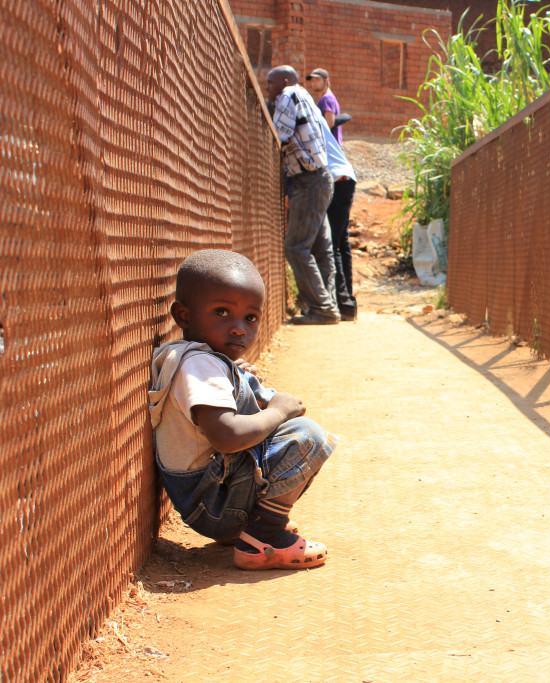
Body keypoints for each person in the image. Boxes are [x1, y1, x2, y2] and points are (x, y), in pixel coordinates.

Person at [149, 249, 336, 570]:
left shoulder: (192, 357)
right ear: (183, 316)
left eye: (250, 317)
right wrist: (278, 410)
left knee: (290, 433)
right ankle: (263, 535)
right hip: (212, 503)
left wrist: (241, 380)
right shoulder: (200, 366)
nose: (239, 328)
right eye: (222, 312)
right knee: (306, 437)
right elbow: (227, 436)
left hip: (207, 498)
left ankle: (254, 525)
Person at [267, 65, 340, 325]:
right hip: (320, 179)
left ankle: (322, 308)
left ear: (284, 81)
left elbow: (279, 136)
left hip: (308, 182)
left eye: (270, 84)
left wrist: (267, 110)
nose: (268, 89)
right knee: (321, 248)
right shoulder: (306, 96)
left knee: (296, 248)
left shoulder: (287, 95)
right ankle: (327, 306)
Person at [307, 67, 358, 321]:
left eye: (317, 79)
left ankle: (340, 302)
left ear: (326, 81)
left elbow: (328, 123)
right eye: (311, 79)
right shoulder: (323, 102)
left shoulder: (324, 103)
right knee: (342, 242)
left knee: (333, 244)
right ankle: (348, 302)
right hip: (346, 176)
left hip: (336, 177)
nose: (313, 82)